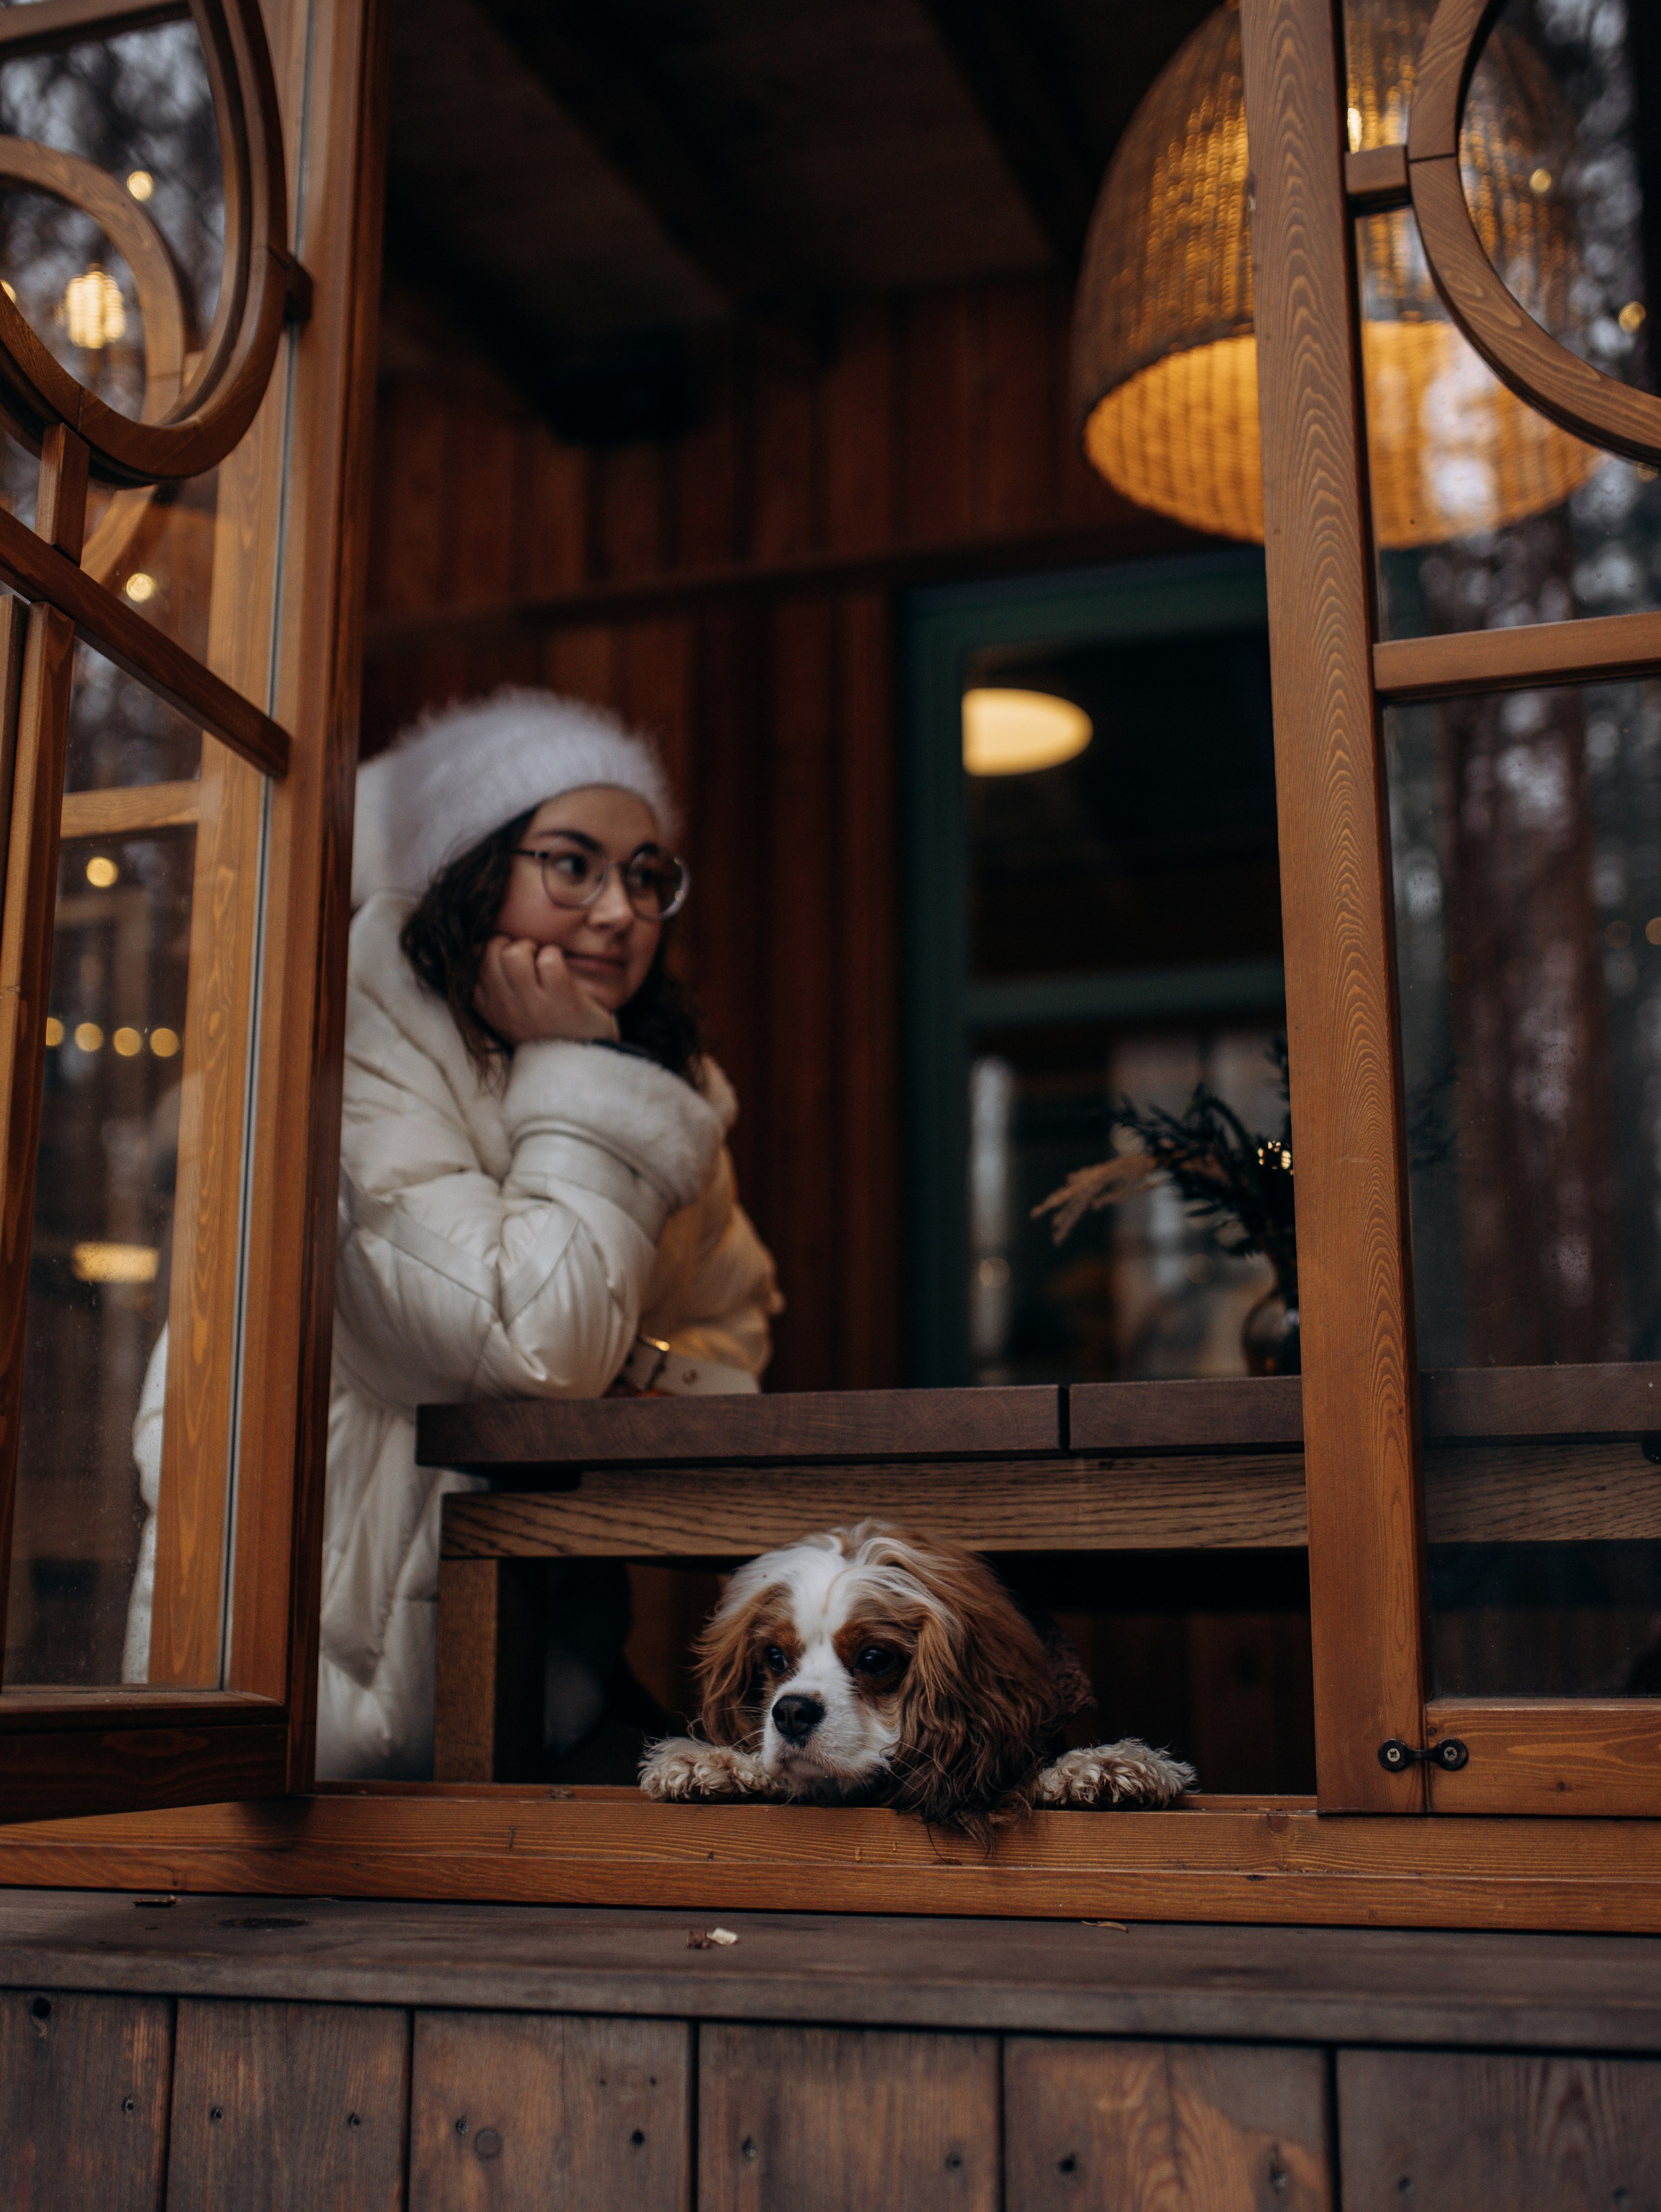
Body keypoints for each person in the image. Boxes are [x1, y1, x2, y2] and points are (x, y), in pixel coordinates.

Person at [125, 690, 780, 1779]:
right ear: (472, 866)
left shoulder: (662, 1079)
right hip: (292, 1708)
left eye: (647, 874)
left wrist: (630, 1371)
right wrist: (584, 1087)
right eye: (573, 864)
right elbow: (532, 1338)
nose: (620, 910)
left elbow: (733, 1323)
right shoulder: (346, 1036)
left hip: (536, 1668)